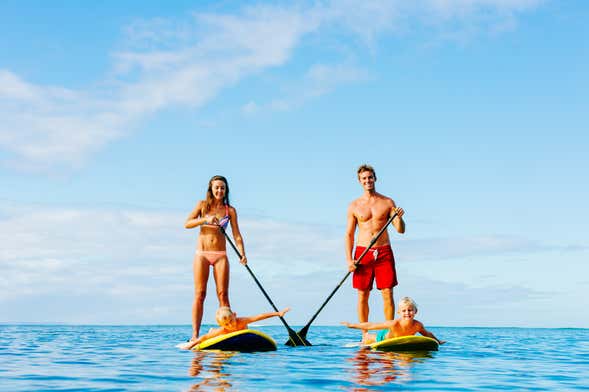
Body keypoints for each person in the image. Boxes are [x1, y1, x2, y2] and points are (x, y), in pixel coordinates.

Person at [185, 175, 247, 343]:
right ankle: (195, 335)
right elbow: (187, 223)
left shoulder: (230, 211)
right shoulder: (202, 205)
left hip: (221, 255)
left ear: (226, 190)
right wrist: (204, 219)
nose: (219, 190)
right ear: (211, 189)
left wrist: (242, 253)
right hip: (202, 254)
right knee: (200, 294)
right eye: (216, 187)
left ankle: (227, 330)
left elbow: (237, 235)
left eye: (222, 188)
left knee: (223, 295)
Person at [345, 164, 405, 340]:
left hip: (383, 251)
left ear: (375, 178)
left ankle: (390, 333)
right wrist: (349, 260)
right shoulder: (354, 205)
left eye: (370, 177)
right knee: (363, 294)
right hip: (362, 252)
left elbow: (400, 230)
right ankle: (365, 334)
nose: (367, 181)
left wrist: (399, 218)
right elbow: (349, 234)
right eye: (364, 178)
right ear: (359, 181)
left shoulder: (387, 202)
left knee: (387, 292)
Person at [341, 297, 445, 345]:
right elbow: (372, 325)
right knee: (369, 339)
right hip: (383, 338)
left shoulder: (417, 325)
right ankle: (366, 337)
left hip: (399, 340)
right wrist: (352, 325)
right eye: (404, 311)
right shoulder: (394, 323)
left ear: (415, 311)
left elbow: (427, 334)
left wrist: (438, 341)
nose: (407, 313)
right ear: (399, 312)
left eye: (410, 310)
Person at [179, 306, 291, 350]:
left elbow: (259, 316)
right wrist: (190, 346)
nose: (230, 325)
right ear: (222, 325)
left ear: (235, 315)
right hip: (223, 335)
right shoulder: (223, 330)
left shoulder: (242, 321)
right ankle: (212, 330)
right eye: (226, 324)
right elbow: (204, 338)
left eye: (231, 320)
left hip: (242, 336)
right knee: (212, 335)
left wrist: (278, 313)